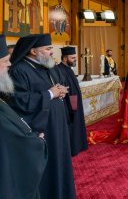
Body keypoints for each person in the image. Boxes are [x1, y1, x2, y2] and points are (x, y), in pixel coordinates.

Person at [8, 33, 76, 199]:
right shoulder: (19, 70)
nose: (51, 52)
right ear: (33, 51)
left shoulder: (46, 66)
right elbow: (19, 101)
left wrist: (59, 91)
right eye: (48, 48)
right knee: (48, 167)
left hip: (57, 125)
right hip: (42, 128)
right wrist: (49, 94)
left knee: (60, 161)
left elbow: (51, 88)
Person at [0, 34, 48, 199]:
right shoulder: (20, 70)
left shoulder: (43, 68)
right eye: (5, 60)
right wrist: (35, 142)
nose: (10, 64)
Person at [55, 46, 88, 156]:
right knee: (72, 124)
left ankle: (78, 145)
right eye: (72, 58)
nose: (75, 60)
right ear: (65, 59)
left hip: (74, 101)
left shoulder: (68, 69)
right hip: (69, 103)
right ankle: (72, 148)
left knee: (77, 123)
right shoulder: (58, 70)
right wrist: (73, 106)